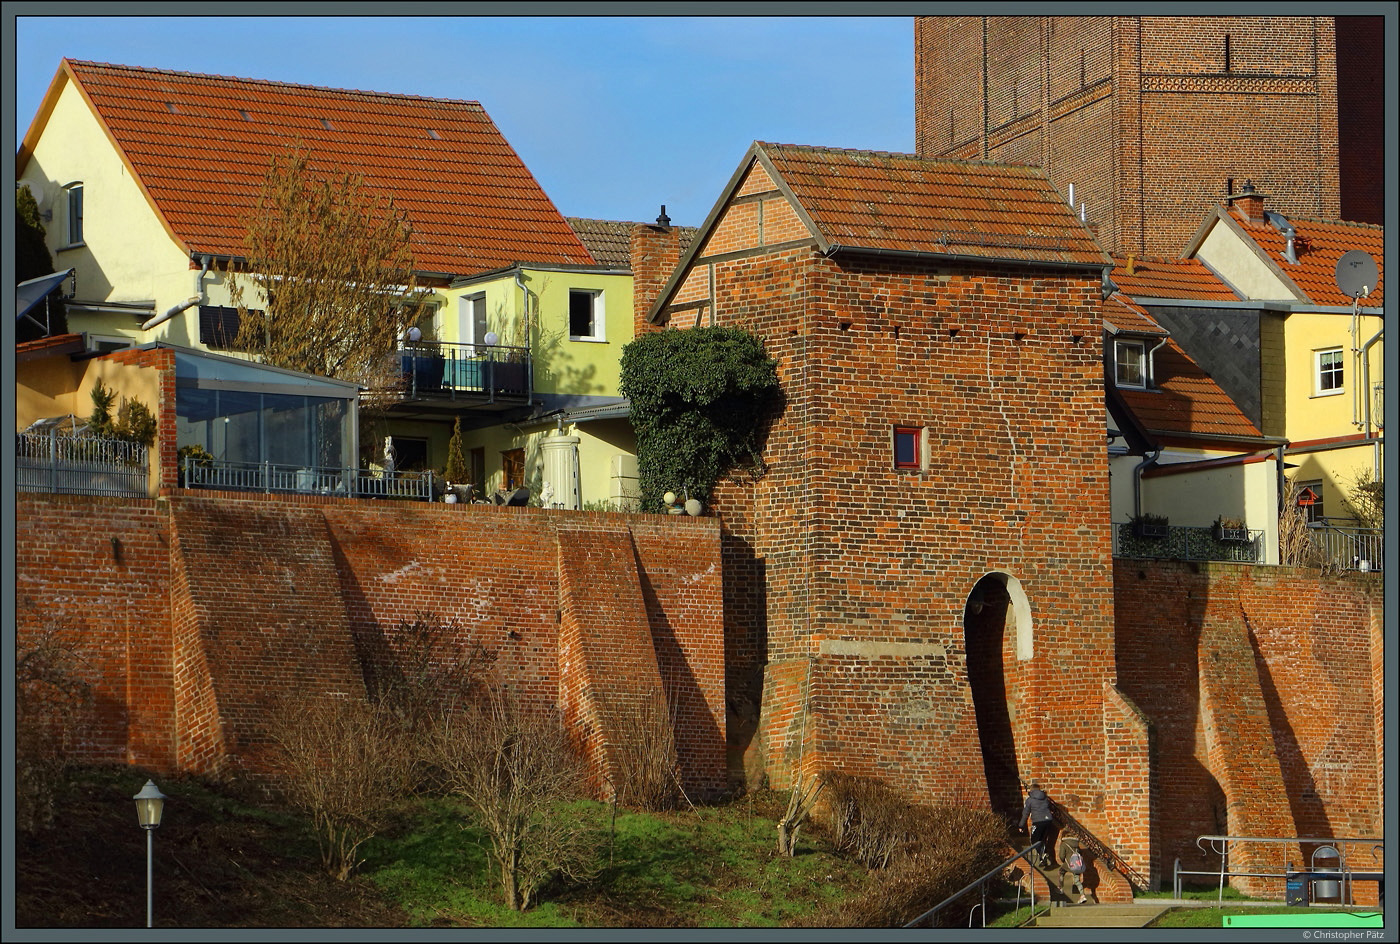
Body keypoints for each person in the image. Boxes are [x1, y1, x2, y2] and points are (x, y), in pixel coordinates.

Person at [1019, 780, 1056, 866]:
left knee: (1034, 840)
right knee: (1042, 840)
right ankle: (1042, 860)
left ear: (1031, 790)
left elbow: (1025, 814)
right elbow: (1051, 808)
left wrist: (1021, 825)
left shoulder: (1030, 800)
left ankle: (1044, 854)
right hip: (1048, 821)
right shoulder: (1045, 798)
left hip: (1038, 822)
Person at [1058, 834, 1090, 904]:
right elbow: (1080, 853)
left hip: (1068, 864)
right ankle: (1082, 895)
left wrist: (1064, 861)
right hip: (1077, 864)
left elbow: (1061, 856)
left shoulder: (1064, 844)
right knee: (1077, 880)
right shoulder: (1076, 844)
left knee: (1061, 872)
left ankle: (1060, 888)